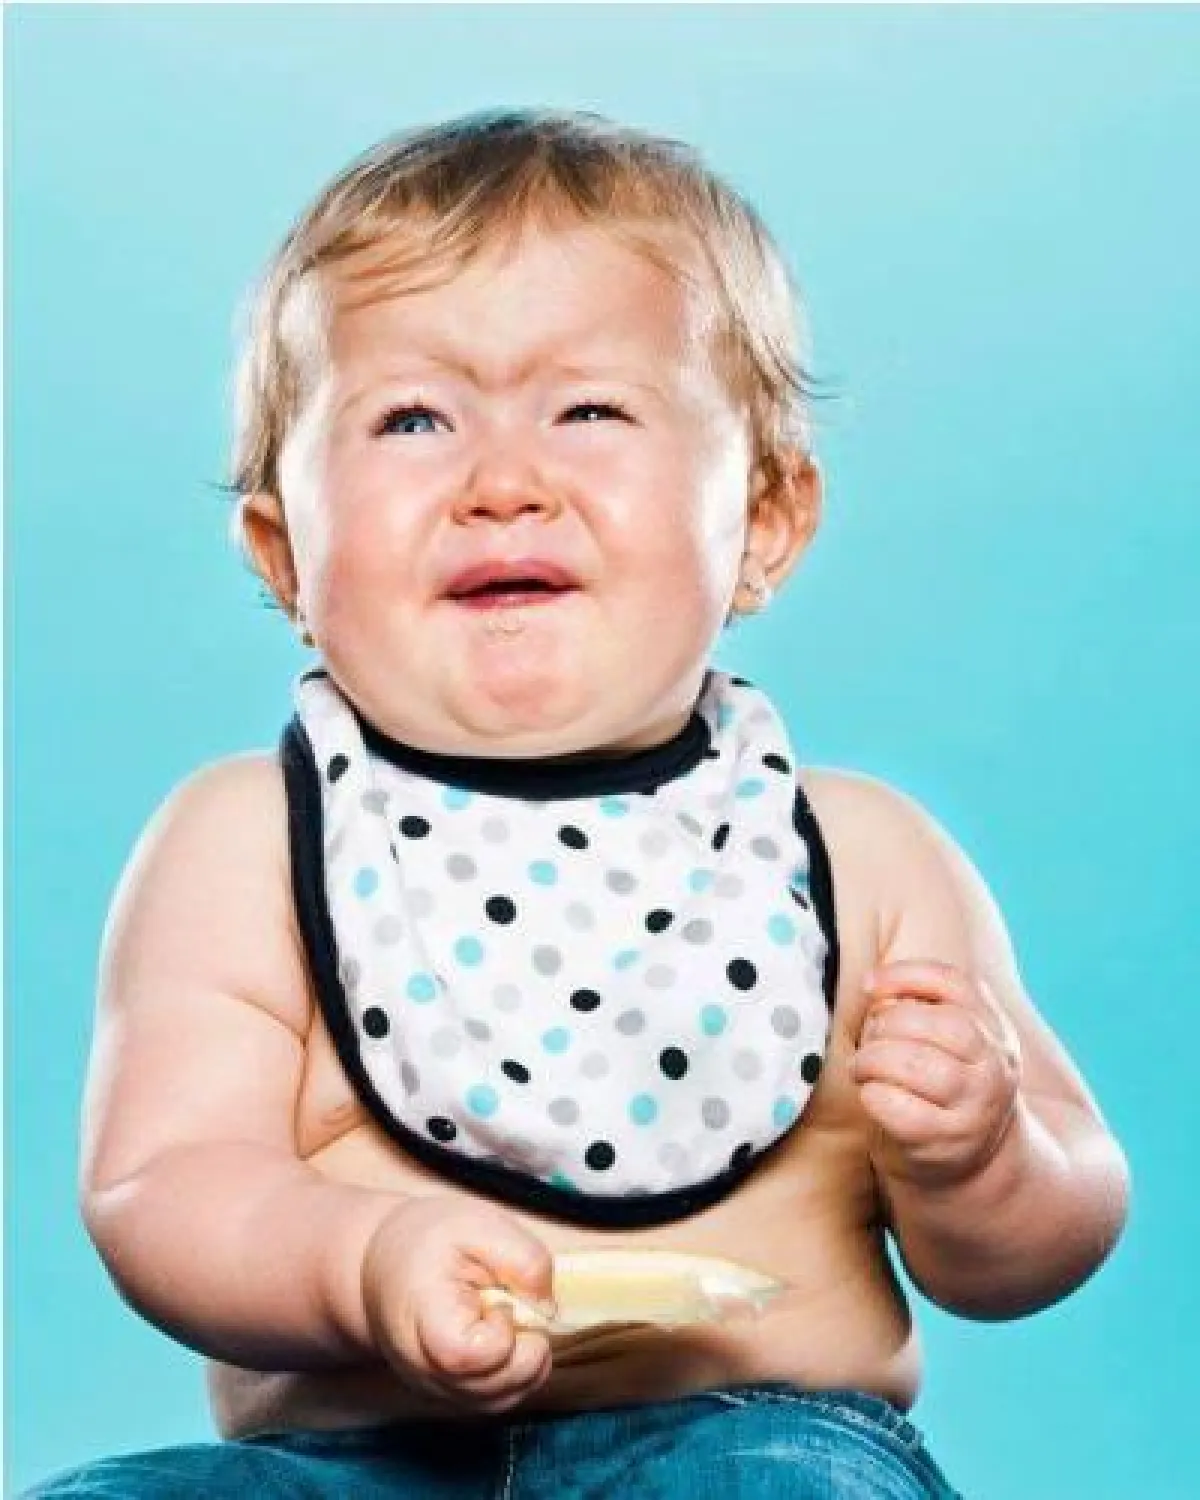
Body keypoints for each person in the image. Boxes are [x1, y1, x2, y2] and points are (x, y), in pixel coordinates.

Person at [25, 109, 1129, 1499]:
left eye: (591, 411)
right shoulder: (245, 844)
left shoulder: (860, 856)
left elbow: (1050, 1235)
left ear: (766, 523)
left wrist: (982, 1157)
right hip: (344, 1462)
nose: (501, 483)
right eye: (413, 419)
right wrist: (360, 1265)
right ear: (285, 552)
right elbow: (162, 1186)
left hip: (745, 1435)